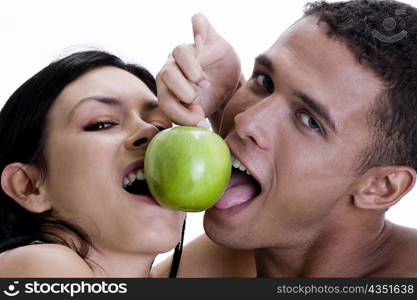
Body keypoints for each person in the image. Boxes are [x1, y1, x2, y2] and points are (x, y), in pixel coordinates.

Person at [152, 0, 417, 277]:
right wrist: (216, 101)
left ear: (381, 187)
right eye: (266, 82)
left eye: (310, 121)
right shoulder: (242, 253)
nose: (245, 122)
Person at [0, 50, 186, 277]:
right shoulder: (40, 264)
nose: (151, 131)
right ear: (29, 186)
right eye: (102, 123)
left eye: (162, 125)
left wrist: (224, 100)